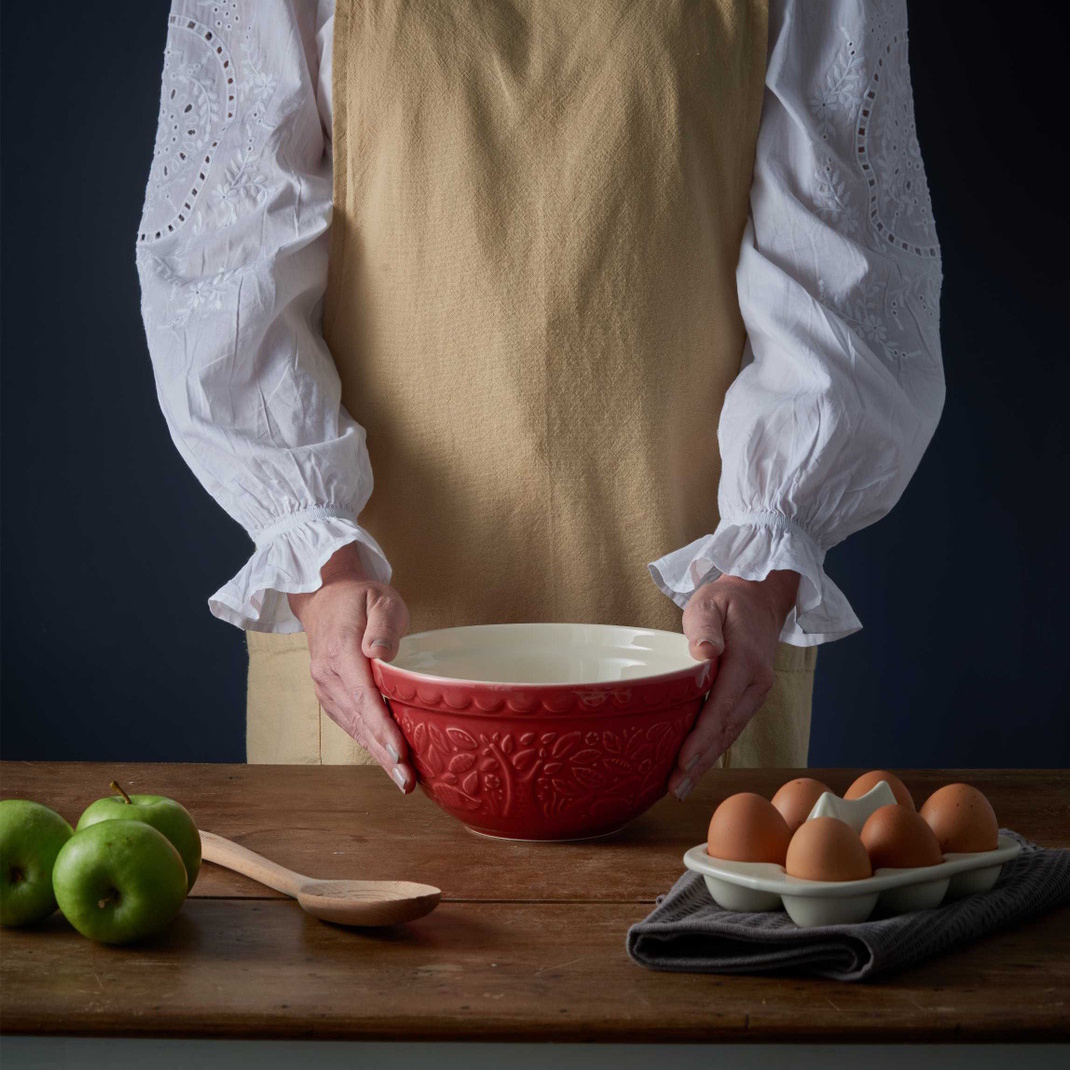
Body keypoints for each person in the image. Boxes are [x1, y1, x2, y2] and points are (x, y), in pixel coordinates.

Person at [136, 0, 943, 800]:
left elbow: (841, 277)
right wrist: (320, 567)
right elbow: (226, 277)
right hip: (369, 643)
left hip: (693, 642)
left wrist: (764, 574)